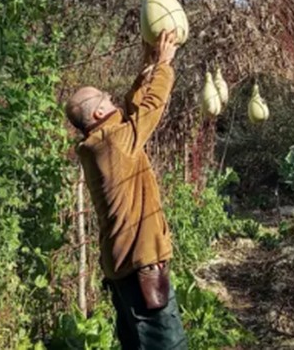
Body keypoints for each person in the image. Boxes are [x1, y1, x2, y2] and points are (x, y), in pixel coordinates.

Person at [65, 29, 188, 349]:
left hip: (126, 269)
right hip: (140, 268)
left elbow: (134, 111)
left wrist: (147, 66)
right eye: (105, 97)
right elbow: (151, 109)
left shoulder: (101, 143)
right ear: (98, 113)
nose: (111, 98)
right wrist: (164, 65)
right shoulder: (113, 143)